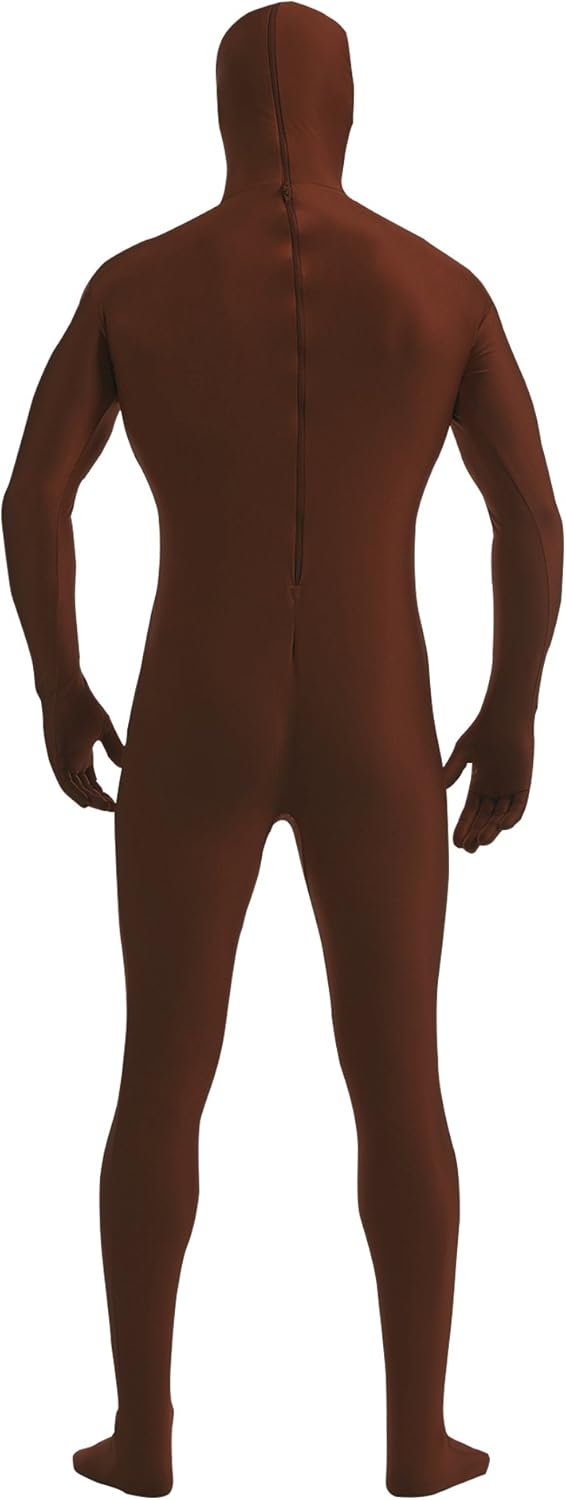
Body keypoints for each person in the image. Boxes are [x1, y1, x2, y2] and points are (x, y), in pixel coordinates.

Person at [2, 2, 563, 1495]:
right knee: (401, 1079)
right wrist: (513, 702)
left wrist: (58, 679)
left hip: (193, 704)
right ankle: (415, 1438)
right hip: (378, 718)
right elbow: (530, 514)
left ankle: (141, 1434)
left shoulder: (135, 286)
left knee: (159, 1074)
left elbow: (34, 495)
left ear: (221, 114)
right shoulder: (437, 287)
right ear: (347, 110)